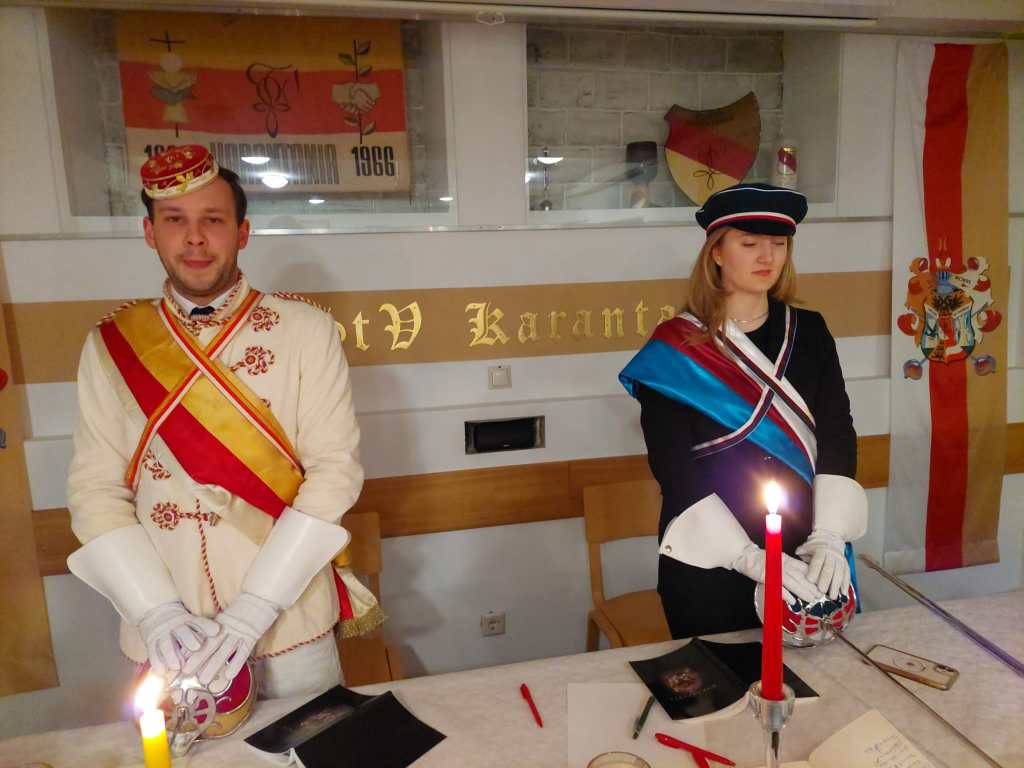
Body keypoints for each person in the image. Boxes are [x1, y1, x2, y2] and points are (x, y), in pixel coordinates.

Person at [66, 145, 378, 699]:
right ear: (149, 232)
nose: (194, 238)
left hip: (290, 624)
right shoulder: (111, 345)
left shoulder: (305, 329)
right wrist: (155, 611)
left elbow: (335, 473)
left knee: (309, 742)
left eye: (212, 220)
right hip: (170, 636)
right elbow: (95, 489)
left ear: (242, 232)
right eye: (174, 220)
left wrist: (258, 605)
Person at [619, 183, 868, 639]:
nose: (767, 257)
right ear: (716, 252)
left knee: (822, 676)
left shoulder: (809, 331)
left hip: (806, 548)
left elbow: (837, 431)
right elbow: (673, 466)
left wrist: (830, 536)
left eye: (779, 244)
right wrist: (747, 557)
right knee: (720, 677)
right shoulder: (675, 347)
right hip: (714, 558)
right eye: (749, 244)